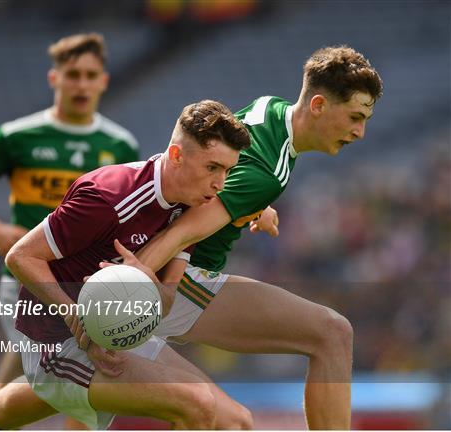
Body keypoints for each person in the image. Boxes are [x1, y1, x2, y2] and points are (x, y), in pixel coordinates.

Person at [0, 100, 253, 430]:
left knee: (236, 421)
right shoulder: (108, 197)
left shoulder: (192, 206)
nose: (220, 184)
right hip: (57, 335)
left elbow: (165, 300)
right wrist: (74, 315)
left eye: (228, 170)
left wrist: (145, 281)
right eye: (212, 167)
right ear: (177, 155)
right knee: (196, 404)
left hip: (113, 333)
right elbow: (20, 256)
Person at [133, 45, 384, 430]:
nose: (360, 132)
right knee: (333, 333)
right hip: (177, 282)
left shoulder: (270, 108)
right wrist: (119, 291)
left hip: (156, 268)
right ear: (318, 104)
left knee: (59, 388)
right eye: (354, 117)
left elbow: (220, 178)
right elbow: (182, 230)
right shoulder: (267, 175)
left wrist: (253, 209)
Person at [0, 33, 139, 425]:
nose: (81, 84)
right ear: (55, 79)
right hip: (27, 282)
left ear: (103, 81)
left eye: (90, 75)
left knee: (1, 402)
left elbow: (128, 214)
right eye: (73, 75)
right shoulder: (18, 136)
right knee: (84, 386)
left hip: (85, 287)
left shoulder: (120, 146)